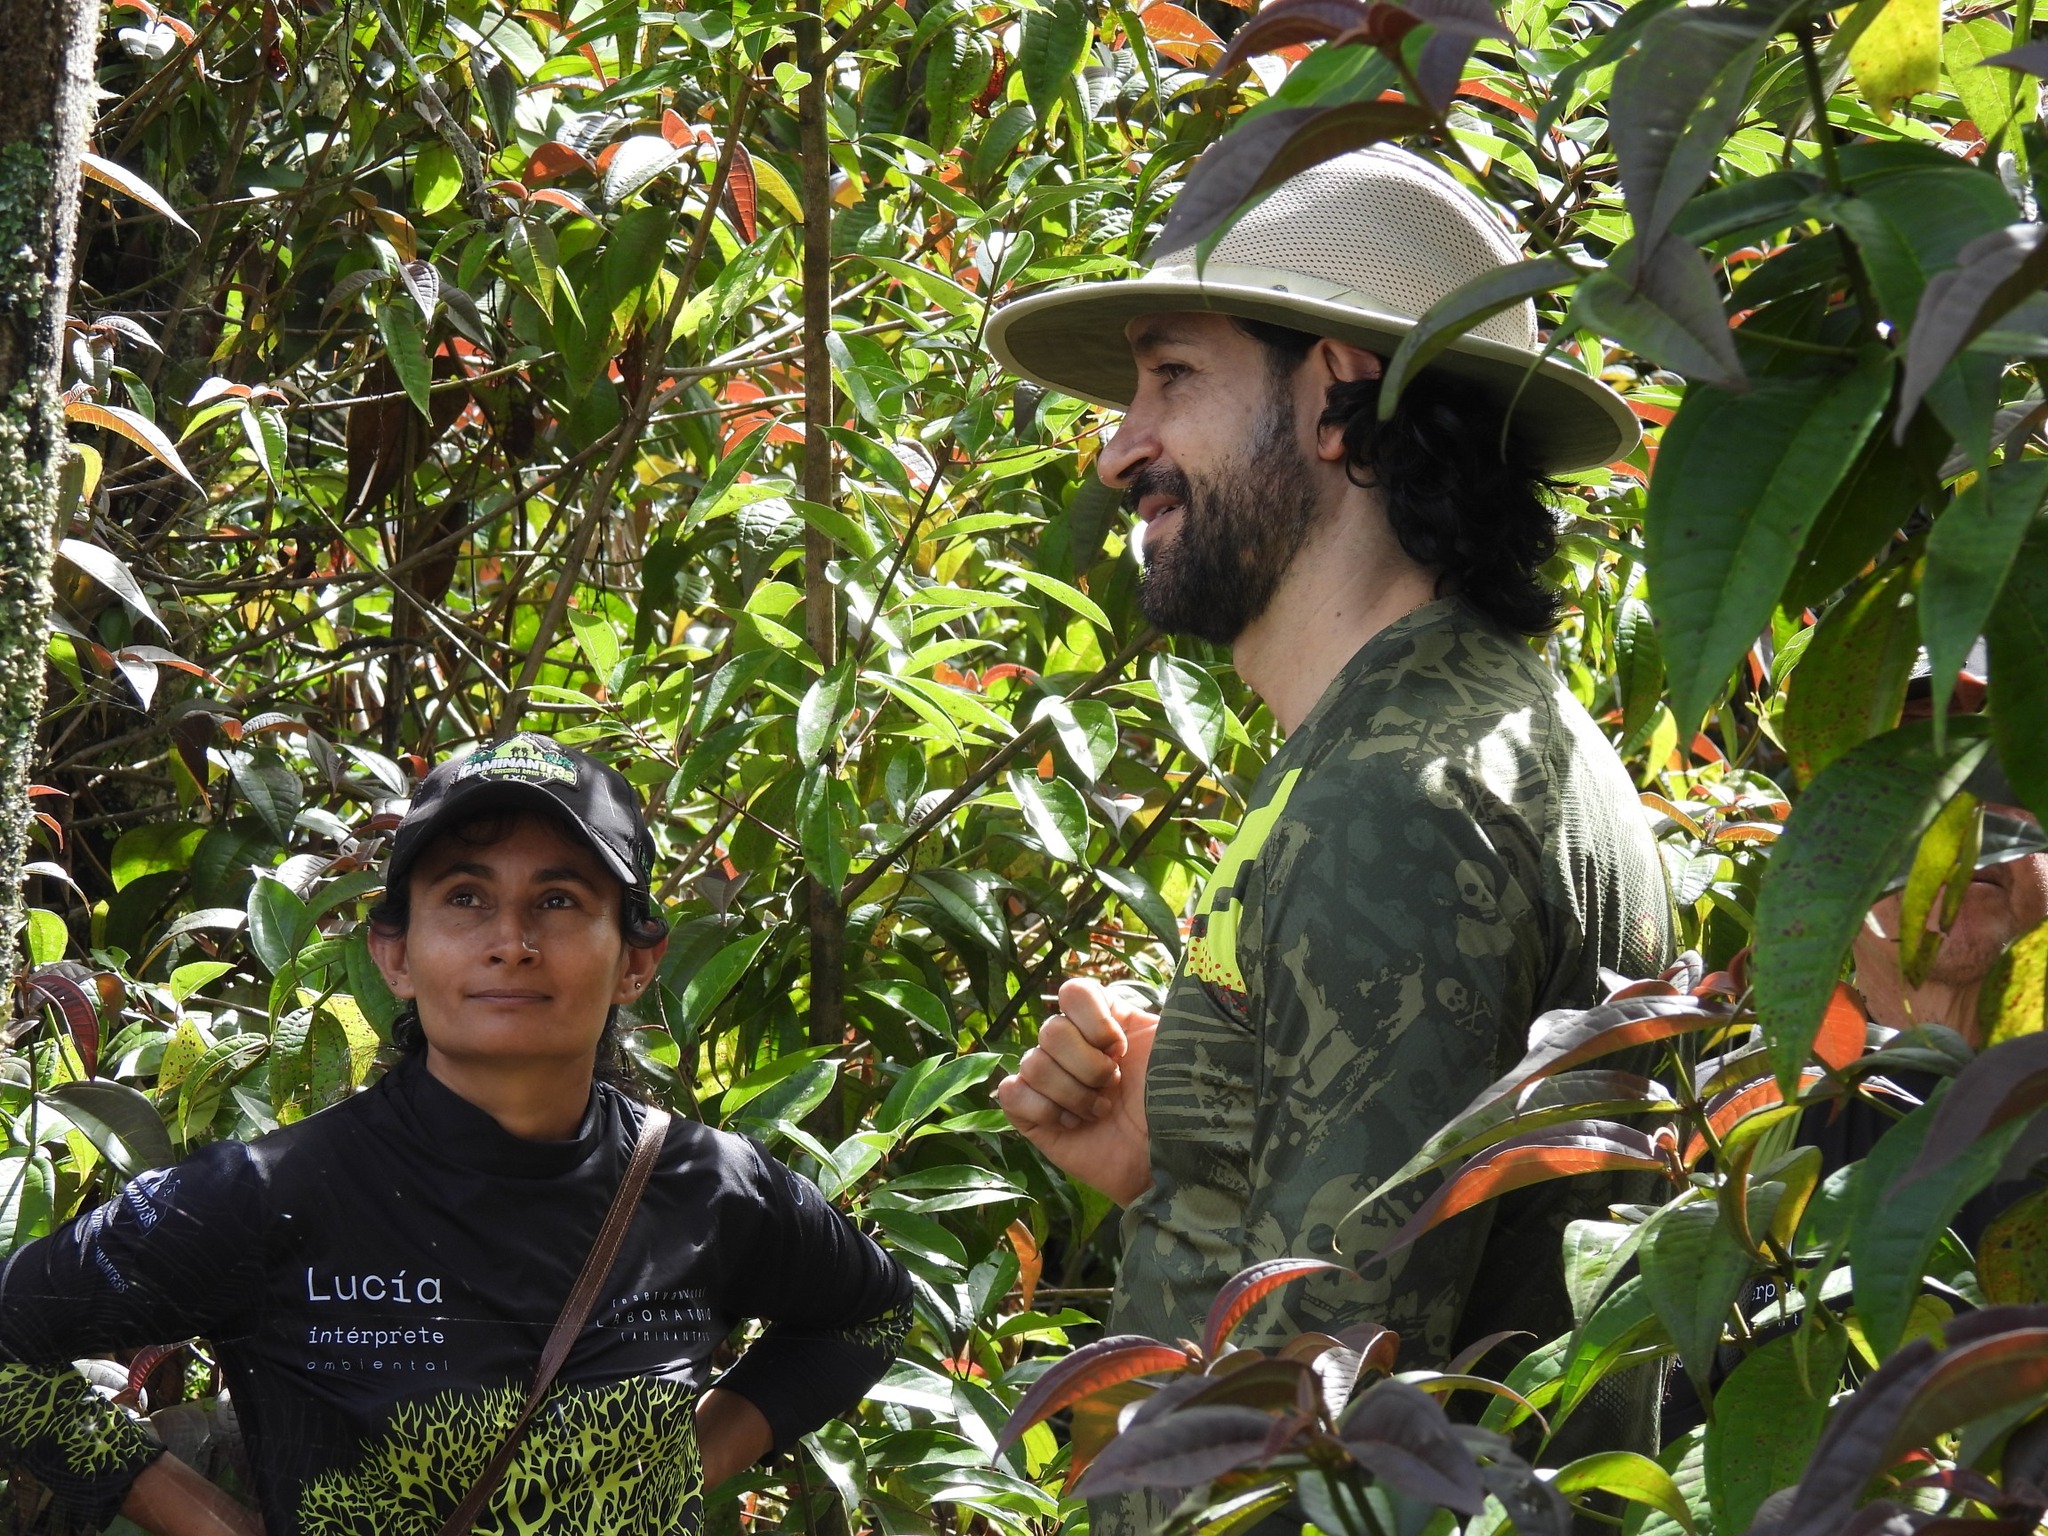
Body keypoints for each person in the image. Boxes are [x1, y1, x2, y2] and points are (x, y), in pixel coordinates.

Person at [987, 148, 1673, 1530]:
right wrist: (1178, 1162)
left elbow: (1327, 1434)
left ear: (1335, 399)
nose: (1119, 450)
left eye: (1172, 377)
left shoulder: (1402, 799)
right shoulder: (1445, 730)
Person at [0, 732, 910, 1536]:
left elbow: (866, 1313)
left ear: (636, 960)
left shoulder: (711, 1186)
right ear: (396, 954)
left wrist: (675, 1474)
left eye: (560, 900)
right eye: (466, 897)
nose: (511, 940)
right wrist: (209, 1523)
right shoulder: (273, 1194)